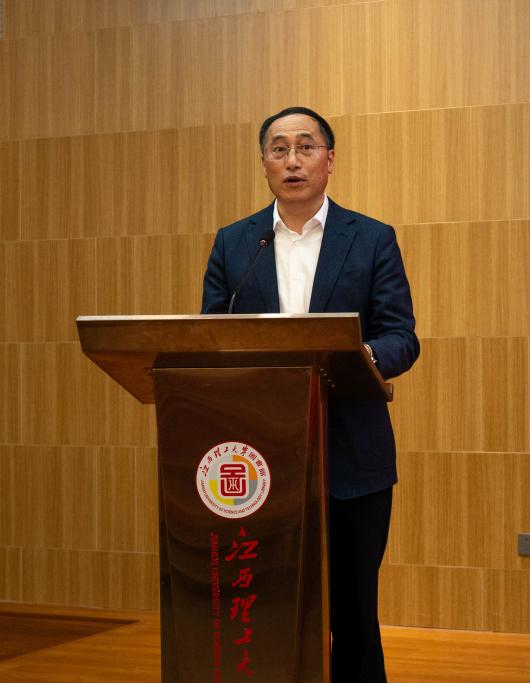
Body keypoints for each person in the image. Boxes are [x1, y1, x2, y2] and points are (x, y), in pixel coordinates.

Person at [200, 106, 419, 682]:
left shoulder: (371, 239)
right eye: (279, 149)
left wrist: (360, 357)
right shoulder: (234, 243)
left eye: (305, 147)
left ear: (329, 160)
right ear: (264, 163)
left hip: (352, 455)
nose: (292, 160)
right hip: (259, 458)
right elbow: (210, 338)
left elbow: (401, 336)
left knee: (353, 612)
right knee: (269, 607)